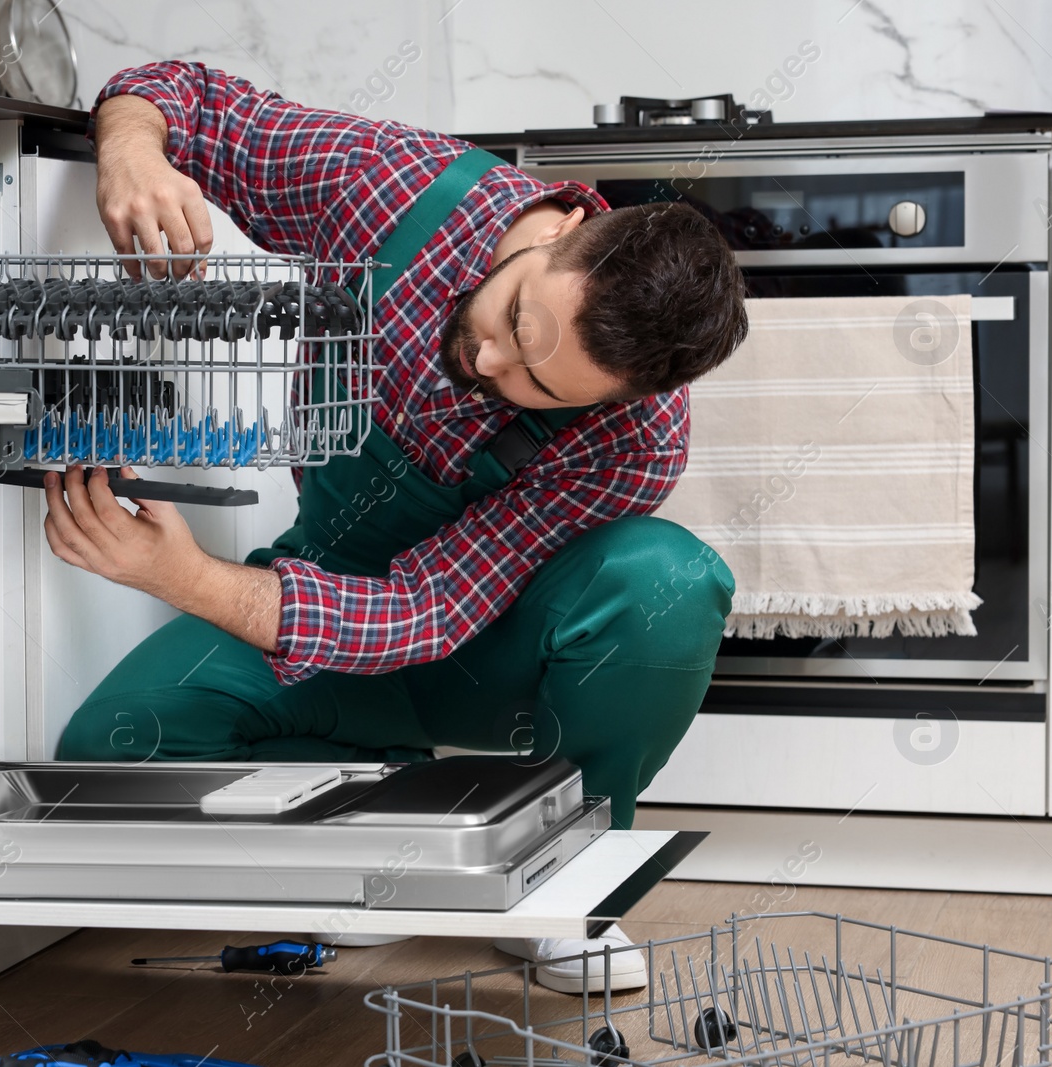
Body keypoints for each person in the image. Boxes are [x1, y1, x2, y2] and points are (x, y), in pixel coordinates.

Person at [39, 62, 744, 994]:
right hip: (329, 589)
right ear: (569, 228)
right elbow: (178, 90)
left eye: (537, 383)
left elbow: (434, 607)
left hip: (481, 652)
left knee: (666, 584)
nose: (490, 359)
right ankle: (392, 819)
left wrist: (184, 575)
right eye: (516, 316)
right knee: (107, 755)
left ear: (621, 398)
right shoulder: (392, 190)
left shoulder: (636, 441)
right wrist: (130, 154)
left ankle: (567, 887)